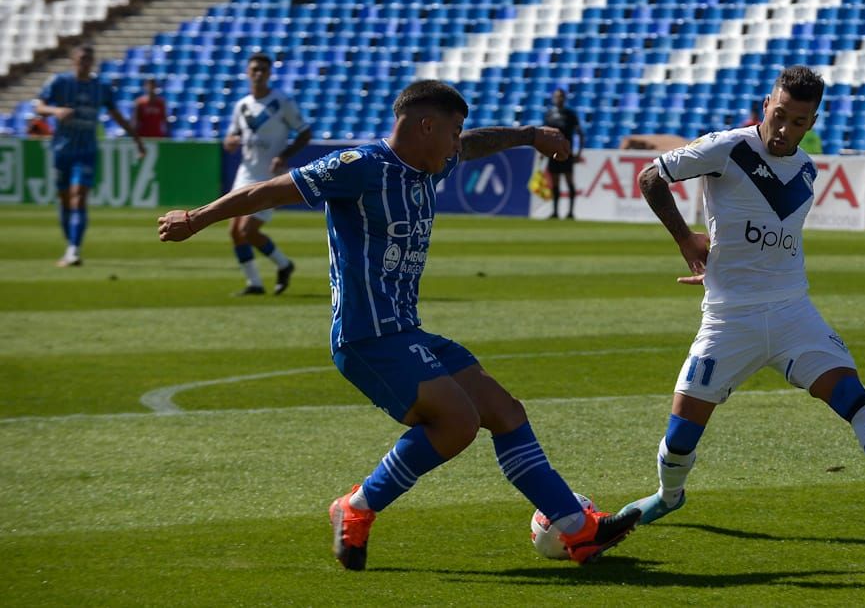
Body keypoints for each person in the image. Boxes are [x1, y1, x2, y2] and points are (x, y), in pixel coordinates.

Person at [157, 80, 640, 570]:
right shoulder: (358, 166)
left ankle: (577, 529)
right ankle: (356, 507)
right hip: (366, 336)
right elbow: (268, 190)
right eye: (453, 130)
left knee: (504, 410)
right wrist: (196, 219)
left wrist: (530, 135)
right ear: (426, 126)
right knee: (457, 422)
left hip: (407, 331)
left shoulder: (430, 163)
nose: (457, 143)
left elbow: (474, 146)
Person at [619, 65, 865, 531]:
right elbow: (650, 177)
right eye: (778, 115)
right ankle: (668, 495)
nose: (784, 128)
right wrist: (686, 239)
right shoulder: (727, 148)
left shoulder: (807, 169)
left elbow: (772, 237)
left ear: (811, 123)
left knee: (853, 397)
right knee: (681, 434)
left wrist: (728, 264)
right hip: (729, 319)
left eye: (797, 121)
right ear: (766, 105)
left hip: (792, 313)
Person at [34, 44, 146, 267]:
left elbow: (116, 114)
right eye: (81, 58)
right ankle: (70, 244)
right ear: (73, 59)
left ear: (92, 62)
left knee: (79, 196)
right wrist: (56, 111)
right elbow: (38, 106)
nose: (84, 62)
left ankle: (74, 250)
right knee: (65, 198)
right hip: (61, 150)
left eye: (88, 59)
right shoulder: (60, 82)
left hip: (86, 151)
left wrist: (136, 139)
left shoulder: (101, 87)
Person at [221, 53, 312, 296]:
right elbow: (232, 135)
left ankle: (284, 264)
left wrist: (284, 155)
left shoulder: (281, 102)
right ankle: (255, 283)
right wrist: (230, 142)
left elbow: (305, 133)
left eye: (263, 69)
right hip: (245, 173)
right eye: (254, 69)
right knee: (235, 232)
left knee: (248, 230)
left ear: (270, 73)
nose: (258, 74)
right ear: (248, 72)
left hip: (269, 177)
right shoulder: (242, 105)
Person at [541, 88, 585, 219]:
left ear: (564, 98)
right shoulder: (549, 114)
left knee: (569, 181)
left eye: (561, 96)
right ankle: (555, 212)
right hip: (553, 153)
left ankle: (570, 212)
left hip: (566, 152)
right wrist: (542, 150)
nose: (558, 99)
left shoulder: (570, 115)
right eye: (556, 96)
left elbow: (580, 134)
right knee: (555, 183)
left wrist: (578, 152)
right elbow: (544, 134)